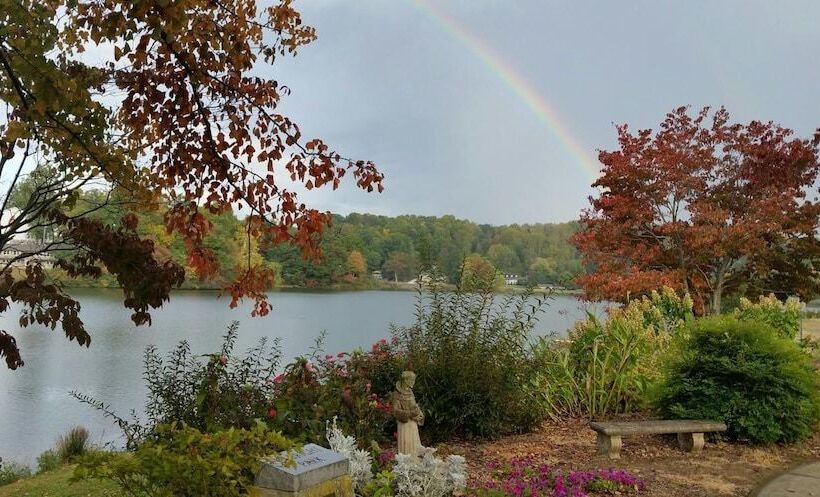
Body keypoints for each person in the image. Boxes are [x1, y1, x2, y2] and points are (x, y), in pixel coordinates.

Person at [391, 370, 424, 456]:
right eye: (412, 380)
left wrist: (419, 414)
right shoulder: (396, 394)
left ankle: (415, 458)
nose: (413, 382)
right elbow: (395, 411)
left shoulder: (410, 392)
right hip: (404, 424)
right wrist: (409, 414)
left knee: (414, 444)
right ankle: (406, 461)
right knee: (406, 444)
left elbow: (414, 406)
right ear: (405, 380)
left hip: (413, 423)